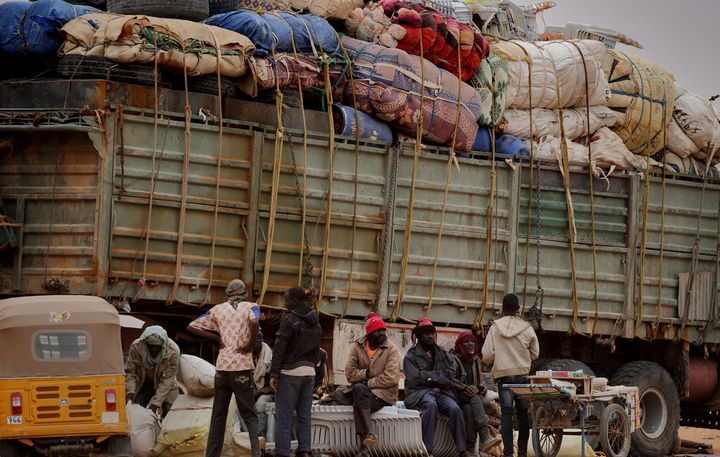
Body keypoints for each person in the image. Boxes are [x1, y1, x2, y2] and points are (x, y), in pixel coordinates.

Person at [187, 279, 261, 457]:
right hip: (242, 367)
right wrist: (249, 344)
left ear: (228, 293)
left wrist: (217, 339)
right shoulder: (252, 306)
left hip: (222, 368)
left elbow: (192, 326)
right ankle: (256, 453)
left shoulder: (217, 310)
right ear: (244, 293)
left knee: (218, 415)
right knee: (249, 414)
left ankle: (212, 454)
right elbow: (254, 322)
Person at [481, 293, 540, 457]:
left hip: (504, 377)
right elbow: (535, 354)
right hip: (522, 377)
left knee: (506, 413)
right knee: (523, 414)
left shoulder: (495, 327)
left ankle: (507, 453)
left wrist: (497, 359)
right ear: (518, 309)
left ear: (502, 308)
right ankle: (521, 453)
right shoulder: (527, 328)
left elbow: (486, 355)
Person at [269, 287, 322, 457]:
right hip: (309, 373)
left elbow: (280, 347)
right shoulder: (315, 320)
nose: (285, 303)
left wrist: (274, 373)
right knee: (304, 415)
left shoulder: (290, 319)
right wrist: (311, 366)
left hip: (290, 372)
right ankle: (304, 451)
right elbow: (317, 350)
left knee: (284, 416)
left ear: (296, 301)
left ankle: (283, 453)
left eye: (287, 299)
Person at [403, 317, 467, 457]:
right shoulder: (411, 355)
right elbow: (414, 378)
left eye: (432, 333)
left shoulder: (443, 353)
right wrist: (438, 378)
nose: (430, 336)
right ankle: (427, 450)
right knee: (430, 405)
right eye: (426, 333)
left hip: (443, 393)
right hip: (420, 393)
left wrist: (428, 376)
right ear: (419, 336)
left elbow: (450, 375)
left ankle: (462, 450)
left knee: (455, 408)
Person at [341, 312, 401, 457]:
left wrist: (367, 382)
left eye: (383, 330)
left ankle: (365, 446)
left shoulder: (391, 349)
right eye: (378, 331)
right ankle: (368, 437)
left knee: (358, 398)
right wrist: (366, 373)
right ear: (369, 333)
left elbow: (391, 378)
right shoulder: (358, 347)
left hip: (385, 394)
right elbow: (350, 374)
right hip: (364, 392)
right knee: (356, 392)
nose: (382, 333)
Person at [450, 332, 502, 454]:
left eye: (472, 341)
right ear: (460, 345)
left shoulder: (475, 360)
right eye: (466, 342)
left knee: (469, 411)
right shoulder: (453, 359)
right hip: (456, 395)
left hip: (470, 398)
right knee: (473, 397)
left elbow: (480, 380)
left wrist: (482, 388)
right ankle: (485, 436)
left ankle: (469, 449)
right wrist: (465, 387)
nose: (470, 344)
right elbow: (450, 380)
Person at [125, 325, 180, 417]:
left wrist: (156, 404)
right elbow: (130, 372)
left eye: (157, 347)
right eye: (151, 346)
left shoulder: (173, 351)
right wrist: (130, 391)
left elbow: (168, 379)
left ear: (163, 345)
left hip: (165, 383)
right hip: (143, 382)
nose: (154, 349)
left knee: (170, 411)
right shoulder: (137, 347)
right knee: (136, 408)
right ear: (145, 343)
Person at [252, 331, 274, 441]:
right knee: (238, 408)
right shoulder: (248, 356)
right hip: (255, 391)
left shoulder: (270, 357)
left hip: (270, 393)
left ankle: (261, 440)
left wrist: (258, 392)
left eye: (253, 343)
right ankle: (249, 437)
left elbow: (274, 386)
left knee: (260, 406)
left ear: (260, 343)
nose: (250, 346)